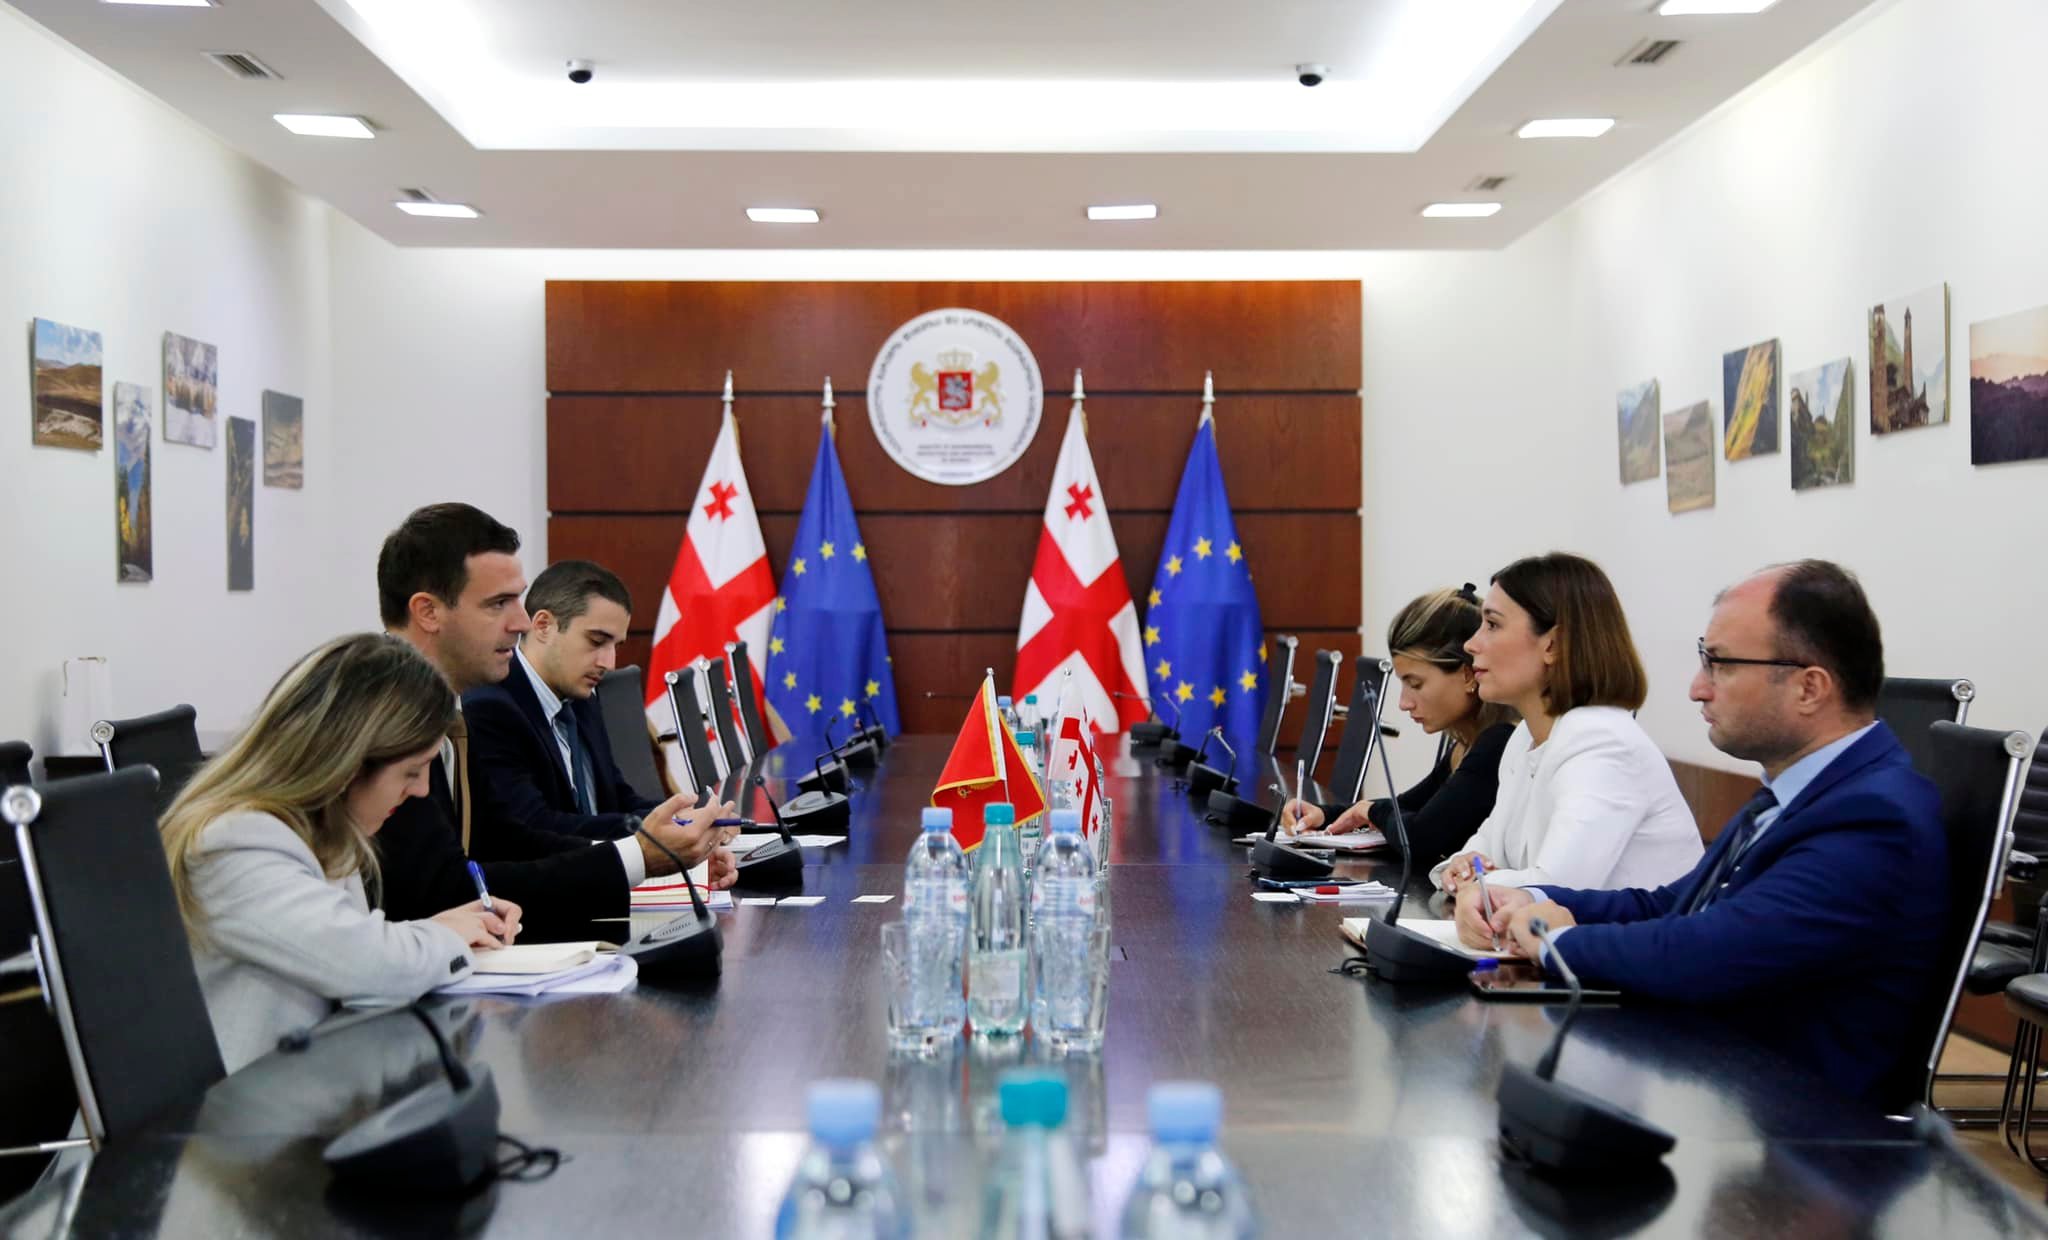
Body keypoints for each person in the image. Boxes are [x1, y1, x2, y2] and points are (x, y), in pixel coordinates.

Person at [1468, 560, 1946, 1104]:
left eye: (1719, 664)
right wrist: (1530, 899)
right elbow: (1671, 905)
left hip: (1800, 1125)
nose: (1698, 689)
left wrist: (1558, 940)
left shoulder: (1873, 817)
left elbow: (1709, 952)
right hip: (1721, 1081)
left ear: (1809, 688)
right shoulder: (1798, 791)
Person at [160, 633, 522, 1071]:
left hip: (305, 1082)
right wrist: (446, 938)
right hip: (242, 1104)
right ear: (348, 763)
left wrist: (441, 927)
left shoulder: (320, 831)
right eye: (412, 771)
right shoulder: (235, 843)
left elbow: (339, 945)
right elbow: (373, 970)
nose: (422, 790)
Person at [373, 503, 736, 941]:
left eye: (518, 600)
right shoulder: (381, 717)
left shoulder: (443, 715)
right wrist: (639, 856)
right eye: (499, 603)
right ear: (428, 612)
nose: (522, 622)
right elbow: (443, 891)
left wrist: (658, 855)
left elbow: (510, 840)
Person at [1432, 552, 1701, 893]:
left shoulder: (1603, 742)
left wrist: (1475, 881)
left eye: (1493, 625)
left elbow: (1557, 888)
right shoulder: (1525, 736)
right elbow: (1488, 843)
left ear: (1554, 645)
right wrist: (1463, 865)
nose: (1472, 644)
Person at [1280, 585, 1517, 870]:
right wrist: (1325, 815)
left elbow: (1420, 837)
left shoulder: (1499, 742)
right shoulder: (1467, 743)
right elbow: (1409, 806)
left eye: (1415, 684)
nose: (1404, 703)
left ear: (1468, 675)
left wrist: (1370, 811)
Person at [465, 560, 663, 840]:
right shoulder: (490, 707)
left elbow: (617, 796)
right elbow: (533, 826)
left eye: (615, 646)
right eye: (596, 641)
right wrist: (652, 833)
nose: (609, 663)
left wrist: (681, 819)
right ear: (543, 626)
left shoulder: (582, 697)